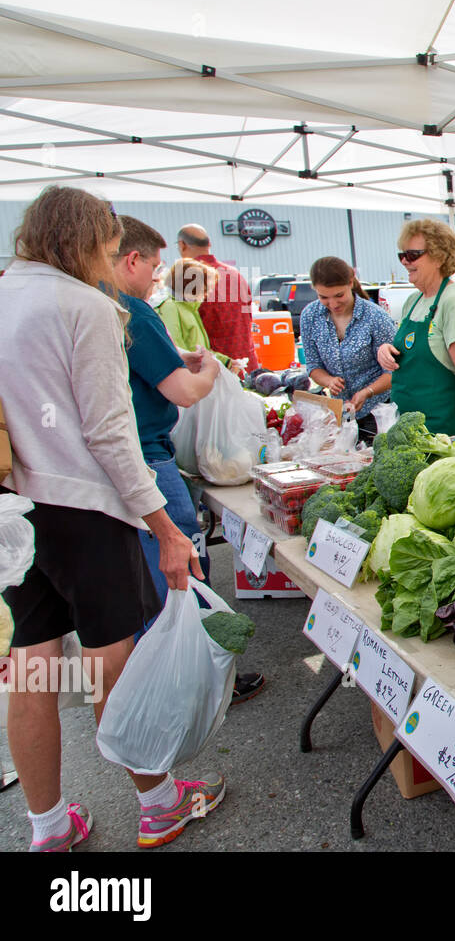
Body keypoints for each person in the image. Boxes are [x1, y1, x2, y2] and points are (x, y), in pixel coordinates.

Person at [0, 187, 226, 850]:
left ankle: (47, 828)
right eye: (106, 250)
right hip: (85, 512)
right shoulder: (86, 306)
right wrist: (165, 529)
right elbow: (107, 434)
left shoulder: (7, 291)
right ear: (87, 243)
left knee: (35, 664)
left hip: (16, 510)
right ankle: (158, 805)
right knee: (110, 662)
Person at [111, 218, 267, 705]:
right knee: (179, 565)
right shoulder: (131, 310)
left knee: (152, 575)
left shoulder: (101, 309)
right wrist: (210, 373)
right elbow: (182, 389)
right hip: (147, 459)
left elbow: (158, 361)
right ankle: (196, 679)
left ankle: (166, 674)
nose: (158, 277)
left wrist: (184, 359)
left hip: (125, 459)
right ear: (131, 260)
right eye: (155, 267)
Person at [377, 219, 455, 438]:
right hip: (405, 429)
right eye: (402, 255)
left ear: (438, 257)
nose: (405, 261)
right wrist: (387, 350)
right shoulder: (413, 301)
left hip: (441, 431)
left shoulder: (454, 301)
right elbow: (409, 350)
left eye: (413, 255)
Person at [301, 256, 396, 442]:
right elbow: (313, 365)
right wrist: (328, 380)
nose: (333, 304)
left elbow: (393, 372)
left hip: (378, 411)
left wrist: (367, 392)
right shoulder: (310, 316)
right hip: (338, 412)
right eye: (323, 297)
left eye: (339, 295)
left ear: (350, 283)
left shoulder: (375, 317)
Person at [176, 224, 259, 371]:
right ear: (209, 244)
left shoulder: (189, 279)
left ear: (182, 245)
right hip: (246, 363)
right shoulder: (235, 274)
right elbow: (248, 317)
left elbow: (187, 332)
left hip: (216, 369)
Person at [156, 258, 229, 364]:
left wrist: (226, 362)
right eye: (206, 287)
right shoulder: (170, 307)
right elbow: (176, 351)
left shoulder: (189, 308)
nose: (209, 292)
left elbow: (201, 350)